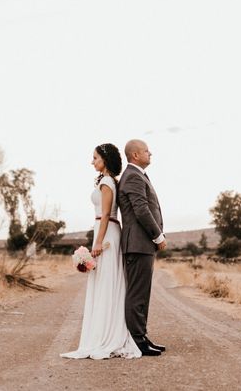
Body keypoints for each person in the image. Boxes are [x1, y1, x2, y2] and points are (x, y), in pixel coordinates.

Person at [60, 143, 142, 360]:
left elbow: (105, 214)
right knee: (104, 281)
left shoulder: (107, 182)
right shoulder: (108, 181)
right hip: (106, 230)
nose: (92, 161)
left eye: (95, 157)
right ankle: (103, 330)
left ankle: (105, 334)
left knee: (106, 280)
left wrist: (97, 243)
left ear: (105, 160)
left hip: (106, 233)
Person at [117, 139, 166, 357]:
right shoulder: (133, 176)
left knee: (142, 293)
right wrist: (157, 236)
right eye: (147, 150)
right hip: (138, 243)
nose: (151, 153)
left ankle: (142, 336)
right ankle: (137, 341)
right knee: (137, 294)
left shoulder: (136, 175)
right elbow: (142, 210)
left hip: (141, 244)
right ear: (135, 155)